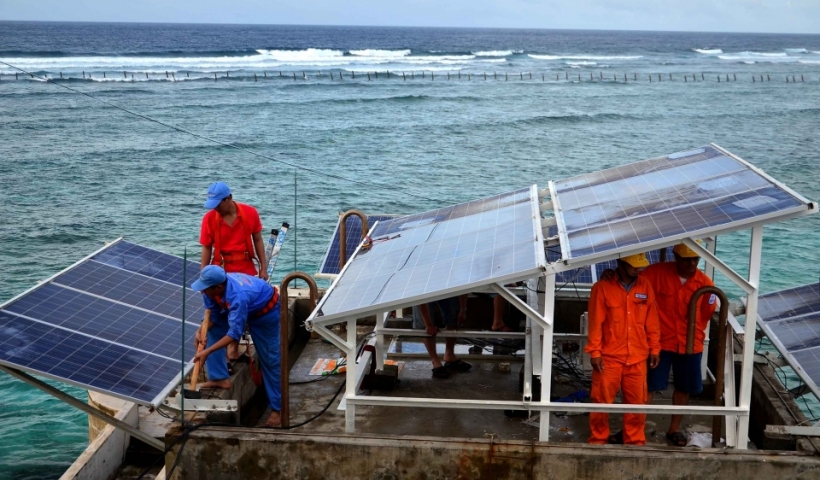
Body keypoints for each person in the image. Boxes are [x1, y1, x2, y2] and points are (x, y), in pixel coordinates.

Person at [640, 242, 717, 446]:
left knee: (684, 387)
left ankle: (674, 430)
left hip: (690, 344)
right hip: (659, 343)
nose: (692, 263)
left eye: (695, 259)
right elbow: (632, 284)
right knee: (648, 386)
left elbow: (707, 313)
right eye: (686, 259)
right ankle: (635, 429)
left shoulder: (705, 283)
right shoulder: (654, 273)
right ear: (676, 257)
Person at [192, 265, 283, 427]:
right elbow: (212, 315)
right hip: (237, 306)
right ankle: (220, 378)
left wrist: (207, 352)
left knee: (270, 360)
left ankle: (277, 409)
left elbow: (234, 334)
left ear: (218, 287)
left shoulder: (237, 297)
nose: (202, 292)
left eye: (205, 289)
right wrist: (201, 331)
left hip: (264, 311)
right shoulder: (211, 290)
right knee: (211, 334)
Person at [585, 253, 660, 446]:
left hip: (637, 358)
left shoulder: (646, 286)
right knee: (601, 403)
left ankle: (635, 442)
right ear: (620, 263)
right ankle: (598, 441)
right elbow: (595, 322)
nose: (639, 269)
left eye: (640, 265)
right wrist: (595, 352)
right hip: (608, 358)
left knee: (637, 406)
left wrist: (655, 348)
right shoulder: (601, 288)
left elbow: (652, 321)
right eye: (634, 265)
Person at [200, 181, 268, 361]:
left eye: (218, 204)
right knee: (220, 311)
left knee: (241, 310)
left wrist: (263, 267)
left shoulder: (250, 213)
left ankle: (233, 349)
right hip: (221, 270)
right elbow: (206, 247)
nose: (215, 209)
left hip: (245, 268)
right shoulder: (209, 219)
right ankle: (224, 352)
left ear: (228, 198)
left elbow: (258, 240)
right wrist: (203, 276)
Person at [413, 296, 471, 379]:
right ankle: (435, 360)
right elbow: (421, 298)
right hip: (423, 292)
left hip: (448, 289)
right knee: (424, 323)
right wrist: (428, 324)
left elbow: (464, 290)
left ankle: (449, 355)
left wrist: (462, 309)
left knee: (454, 316)